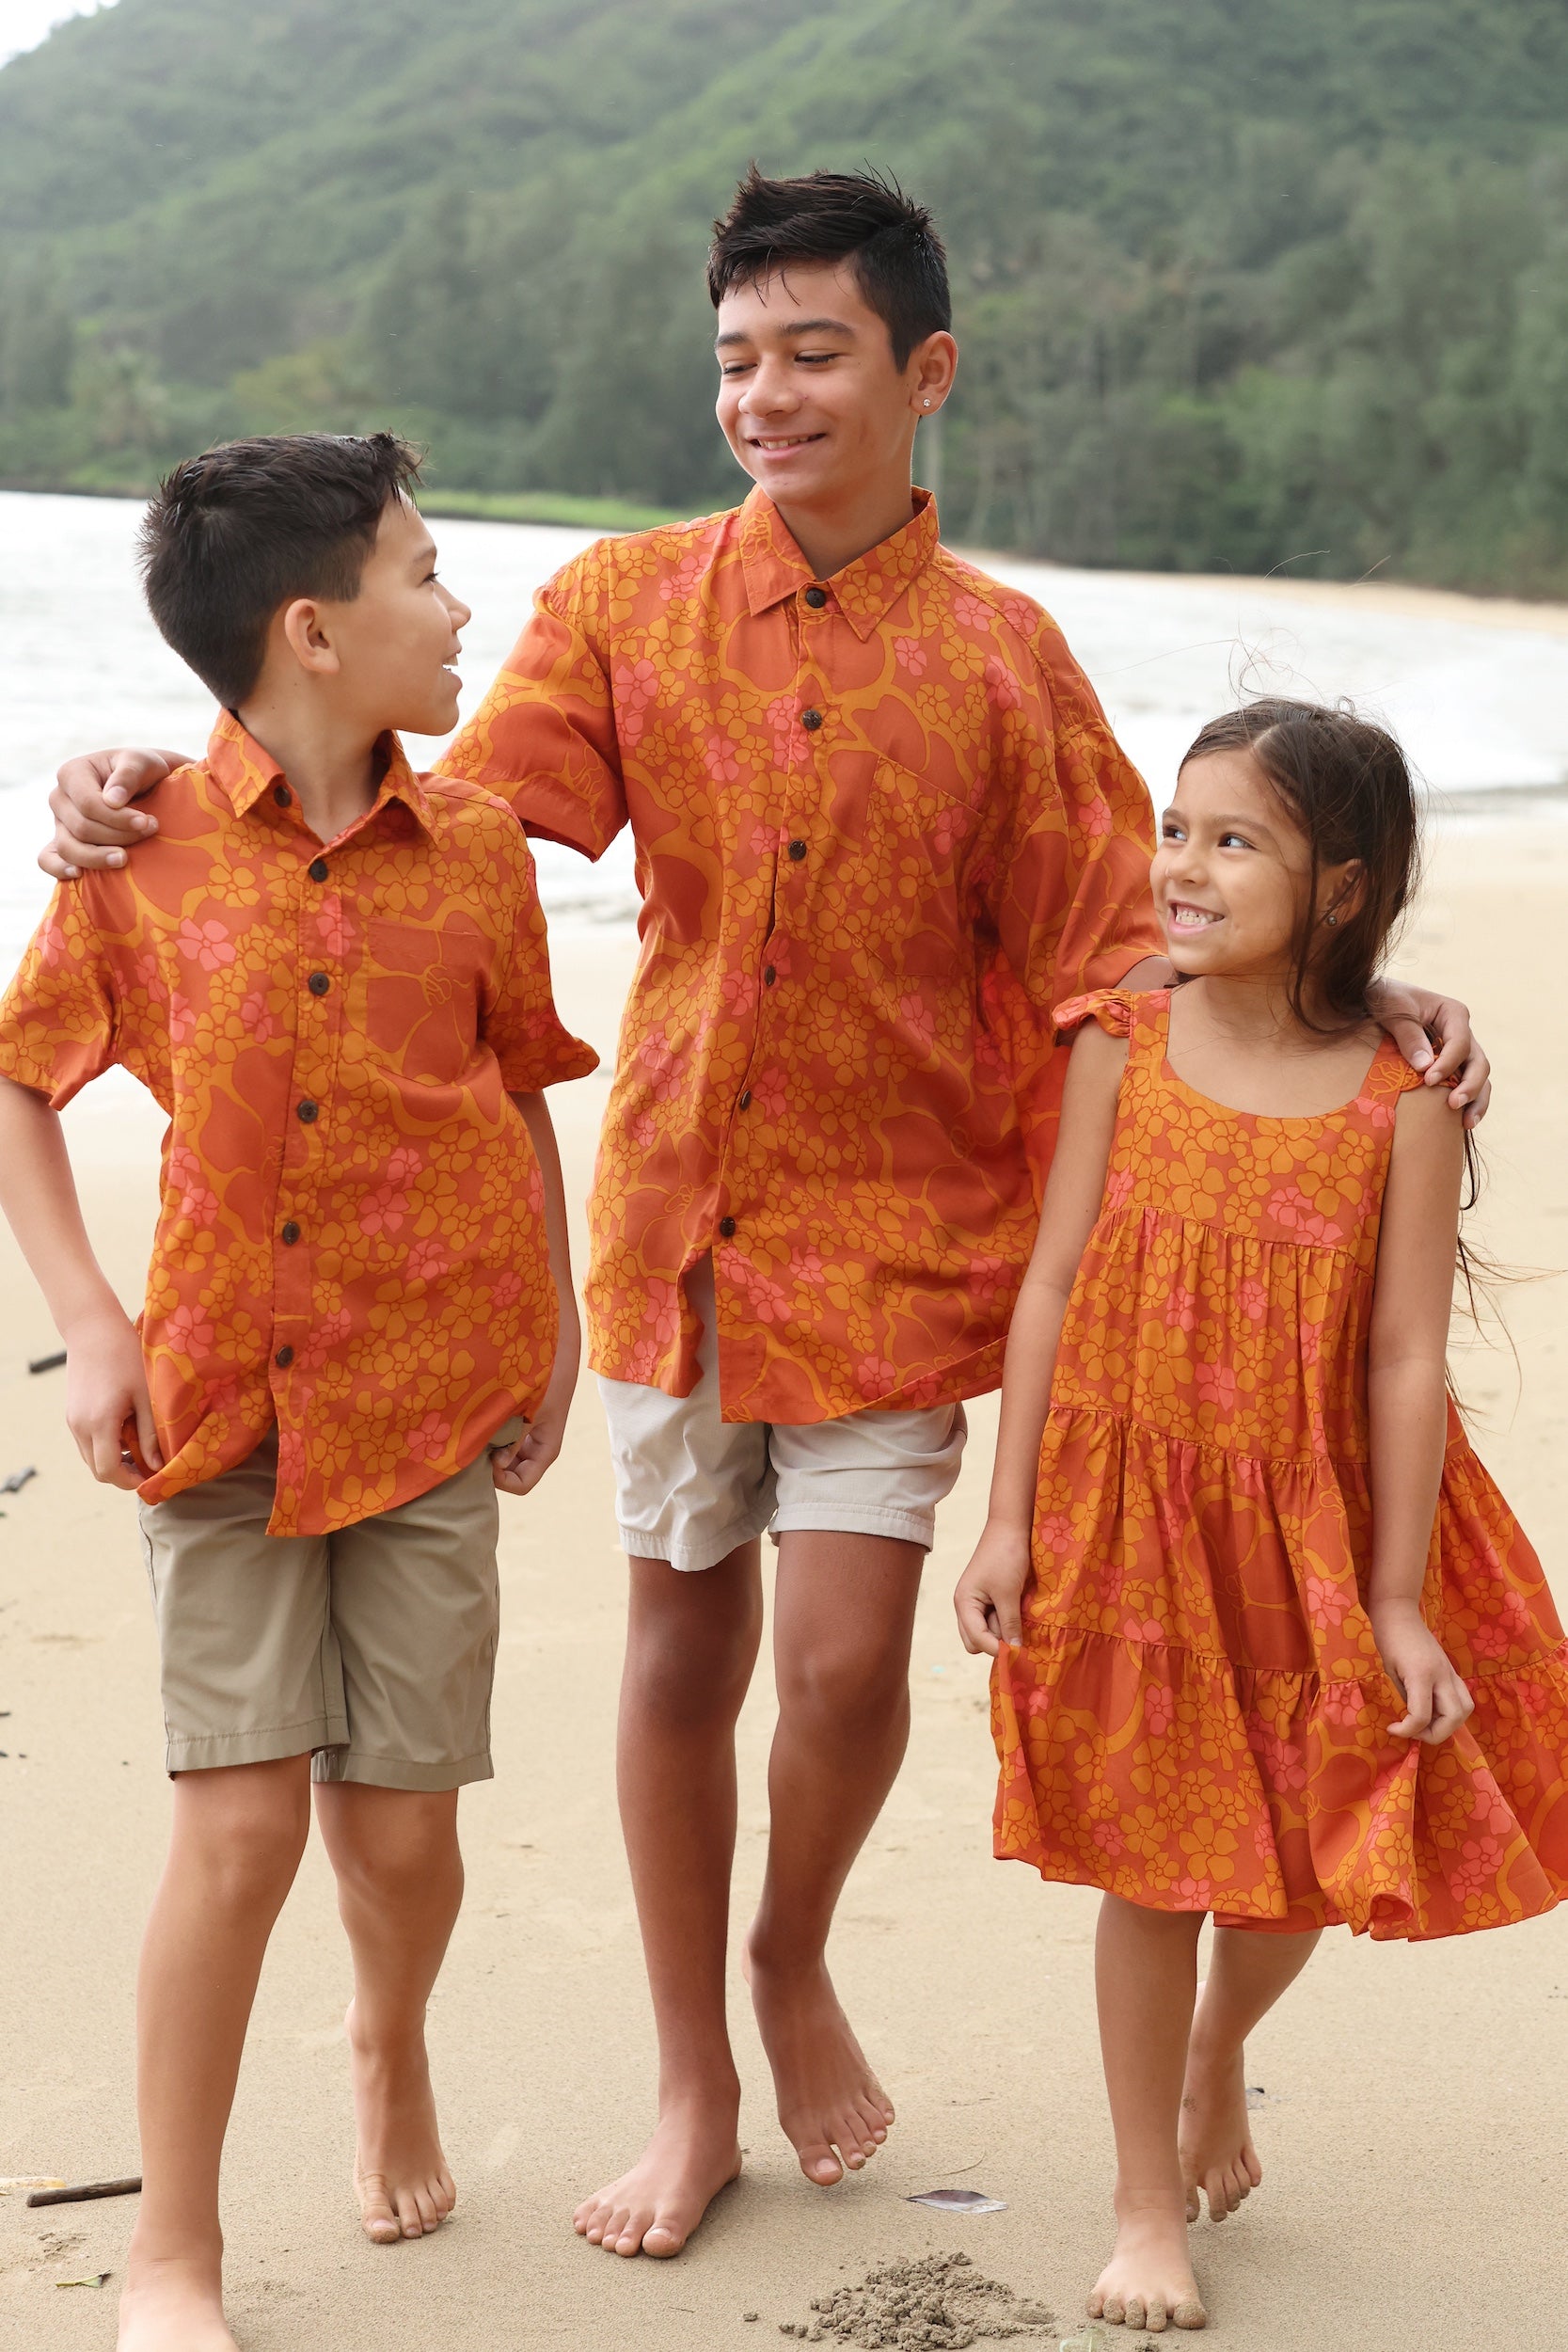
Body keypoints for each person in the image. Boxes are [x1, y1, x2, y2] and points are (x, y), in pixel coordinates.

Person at [40, 173, 1490, 2264]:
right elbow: (413, 801)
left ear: (925, 373)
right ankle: (691, 2070)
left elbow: (1122, 944)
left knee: (832, 1662)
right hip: (675, 1220)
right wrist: (146, 780)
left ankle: (791, 1949)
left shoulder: (1008, 658)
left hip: (913, 1241)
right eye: (736, 358)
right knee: (673, 1651)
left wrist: (1363, 997)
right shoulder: (623, 606)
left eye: (813, 353)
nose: (766, 394)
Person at [0, 433, 595, 2352]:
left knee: (403, 1833)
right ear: (317, 627)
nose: (463, 605)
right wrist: (91, 1324)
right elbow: (22, 1073)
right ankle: (176, 2249)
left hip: (438, 1390)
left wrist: (560, 1320)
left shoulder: (485, 847)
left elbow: (514, 1089)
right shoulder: (142, 841)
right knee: (241, 1829)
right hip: (222, 1409)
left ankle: (389, 2038)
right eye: (430, 571)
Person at [954, 699, 1567, 2334]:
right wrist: (1006, 1520)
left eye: (1236, 842)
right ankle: (1142, 2203)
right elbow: (1056, 1281)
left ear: (1344, 889)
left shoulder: (1403, 1097)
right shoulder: (1119, 1042)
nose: (1186, 868)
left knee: (1299, 1855)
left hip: (1314, 1518)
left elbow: (1407, 1354)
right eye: (1176, 829)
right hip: (1130, 1507)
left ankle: (1221, 2051)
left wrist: (1398, 1600)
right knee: (1149, 1866)